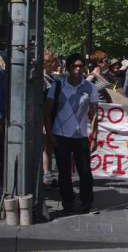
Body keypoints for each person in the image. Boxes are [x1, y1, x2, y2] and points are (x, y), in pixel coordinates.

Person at [43, 53, 98, 213]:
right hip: (60, 136)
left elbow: (94, 114)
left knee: (85, 172)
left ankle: (86, 201)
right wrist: (50, 134)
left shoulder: (90, 87)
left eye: (80, 65)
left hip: (81, 136)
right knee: (64, 173)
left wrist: (94, 136)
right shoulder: (58, 85)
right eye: (74, 66)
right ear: (68, 68)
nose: (78, 68)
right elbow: (46, 111)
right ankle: (68, 202)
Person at [42, 49, 60, 187]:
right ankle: (46, 174)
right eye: (55, 61)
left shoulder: (52, 78)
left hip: (51, 117)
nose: (58, 64)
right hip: (46, 118)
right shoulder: (43, 80)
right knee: (46, 146)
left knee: (48, 147)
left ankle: (47, 173)